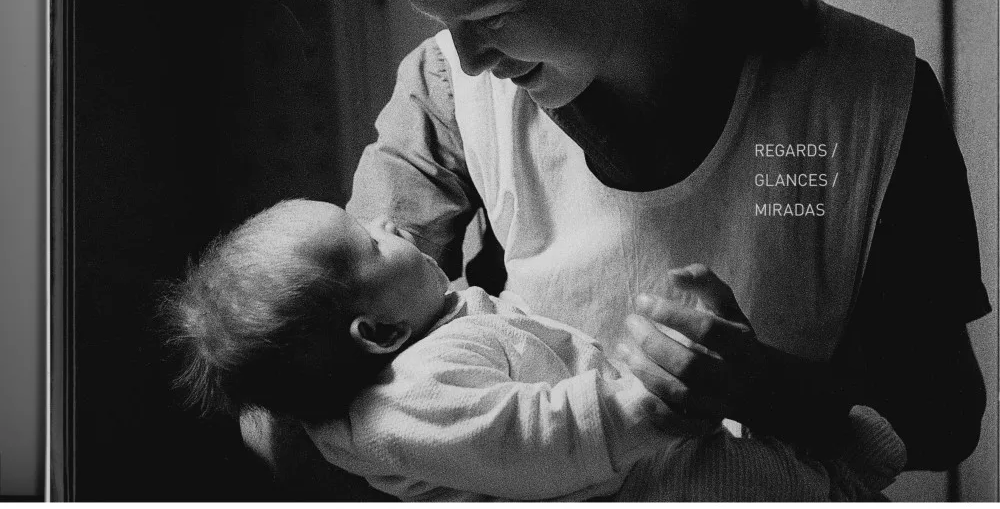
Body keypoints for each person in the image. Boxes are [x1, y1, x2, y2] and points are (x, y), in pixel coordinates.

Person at [251, 0, 989, 491]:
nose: (469, 59)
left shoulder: (866, 98)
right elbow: (310, 387)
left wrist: (761, 386)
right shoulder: (444, 90)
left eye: (489, 16)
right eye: (444, 23)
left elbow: (945, 418)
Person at [168, 198, 908, 501]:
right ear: (379, 332)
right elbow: (532, 437)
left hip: (632, 464)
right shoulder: (404, 403)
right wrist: (646, 405)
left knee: (786, 465)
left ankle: (846, 469)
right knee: (755, 481)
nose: (388, 222)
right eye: (370, 242)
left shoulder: (429, 340)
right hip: (637, 484)